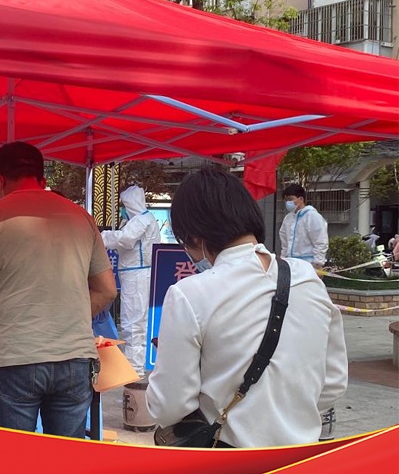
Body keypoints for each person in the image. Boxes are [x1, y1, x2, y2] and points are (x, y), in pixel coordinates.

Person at [146, 168, 348, 448]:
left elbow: (170, 405)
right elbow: (334, 381)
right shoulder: (308, 279)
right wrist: (286, 417)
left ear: (194, 235)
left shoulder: (189, 294)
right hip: (300, 453)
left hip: (228, 456)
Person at [0, 141, 117, 438]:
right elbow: (107, 291)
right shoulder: (81, 217)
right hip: (74, 359)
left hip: (14, 359)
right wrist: (67, 314)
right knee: (65, 457)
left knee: (14, 457)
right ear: (42, 179)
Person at [100, 185, 161, 376]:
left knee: (133, 322)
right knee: (136, 320)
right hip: (136, 275)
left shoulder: (141, 220)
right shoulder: (142, 220)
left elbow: (124, 239)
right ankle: (136, 364)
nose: (122, 209)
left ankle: (135, 367)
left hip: (137, 277)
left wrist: (103, 236)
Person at [279, 184, 329, 269]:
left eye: (290, 199)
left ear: (301, 199)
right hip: (290, 264)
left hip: (308, 264)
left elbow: (320, 241)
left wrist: (318, 263)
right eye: (286, 200)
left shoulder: (312, 216)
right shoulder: (288, 219)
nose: (288, 203)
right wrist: (283, 260)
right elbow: (284, 243)